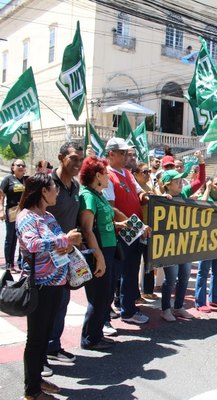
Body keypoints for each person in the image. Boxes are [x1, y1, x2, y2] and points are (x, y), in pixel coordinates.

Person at [16, 173, 82, 399]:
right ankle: (31, 390)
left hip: (57, 283)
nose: (57, 192)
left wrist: (66, 242)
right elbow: (33, 245)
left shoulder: (48, 216)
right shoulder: (26, 217)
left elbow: (60, 239)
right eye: (54, 188)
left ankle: (37, 379)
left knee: (44, 336)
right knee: (35, 339)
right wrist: (65, 241)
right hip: (40, 286)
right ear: (44, 191)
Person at [102, 138, 150, 324]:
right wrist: (136, 225)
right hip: (119, 232)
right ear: (111, 154)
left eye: (127, 153)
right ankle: (107, 315)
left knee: (130, 272)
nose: (126, 157)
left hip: (134, 231)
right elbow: (110, 208)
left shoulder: (127, 173)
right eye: (122, 153)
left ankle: (128, 309)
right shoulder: (107, 174)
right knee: (114, 275)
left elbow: (139, 193)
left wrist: (148, 196)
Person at [45, 142, 84, 367]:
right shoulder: (47, 184)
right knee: (44, 308)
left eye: (80, 159)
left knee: (62, 302)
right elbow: (31, 218)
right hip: (46, 256)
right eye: (73, 158)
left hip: (67, 255)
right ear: (61, 158)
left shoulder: (75, 187)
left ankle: (53, 346)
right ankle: (39, 358)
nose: (78, 163)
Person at [78, 156, 122, 350]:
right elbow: (88, 230)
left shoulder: (99, 194)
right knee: (99, 296)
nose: (109, 177)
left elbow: (105, 221)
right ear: (97, 175)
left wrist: (121, 224)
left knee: (106, 295)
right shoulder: (87, 195)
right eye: (105, 174)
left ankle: (97, 335)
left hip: (110, 249)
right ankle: (89, 339)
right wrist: (98, 257)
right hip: (100, 250)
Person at [159, 169, 194, 321]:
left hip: (185, 244)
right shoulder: (161, 199)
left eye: (181, 181)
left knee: (185, 276)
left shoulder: (184, 196)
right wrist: (161, 199)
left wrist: (201, 163)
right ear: (167, 184)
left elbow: (198, 183)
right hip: (169, 246)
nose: (181, 183)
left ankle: (178, 307)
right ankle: (166, 309)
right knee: (171, 279)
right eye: (177, 181)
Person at [195, 176, 217, 311]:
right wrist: (208, 189)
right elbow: (201, 205)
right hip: (206, 241)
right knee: (203, 271)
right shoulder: (206, 198)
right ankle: (200, 302)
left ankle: (215, 299)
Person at [132, 162, 158, 301]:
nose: (148, 174)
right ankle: (135, 294)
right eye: (144, 172)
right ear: (135, 174)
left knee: (149, 261)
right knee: (135, 264)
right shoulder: (133, 188)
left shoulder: (150, 186)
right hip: (137, 229)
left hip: (150, 228)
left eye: (149, 172)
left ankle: (148, 290)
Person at [0, 159, 28, 273]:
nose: (21, 167)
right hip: (12, 211)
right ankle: (9, 264)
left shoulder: (27, 180)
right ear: (13, 167)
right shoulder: (8, 180)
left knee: (24, 238)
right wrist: (1, 209)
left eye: (23, 165)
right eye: (18, 165)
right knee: (11, 238)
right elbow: (1, 196)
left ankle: (22, 264)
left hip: (25, 213)